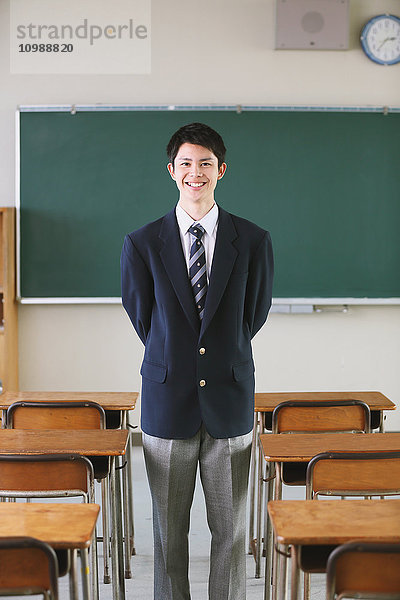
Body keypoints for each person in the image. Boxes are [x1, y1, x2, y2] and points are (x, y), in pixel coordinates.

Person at [121, 122, 274, 600]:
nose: (195, 172)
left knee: (229, 533)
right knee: (168, 533)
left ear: (221, 170)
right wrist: (179, 358)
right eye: (186, 163)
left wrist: (217, 356)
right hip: (168, 402)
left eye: (205, 163)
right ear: (171, 171)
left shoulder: (250, 240)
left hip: (229, 400)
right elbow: (143, 317)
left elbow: (255, 313)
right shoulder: (143, 243)